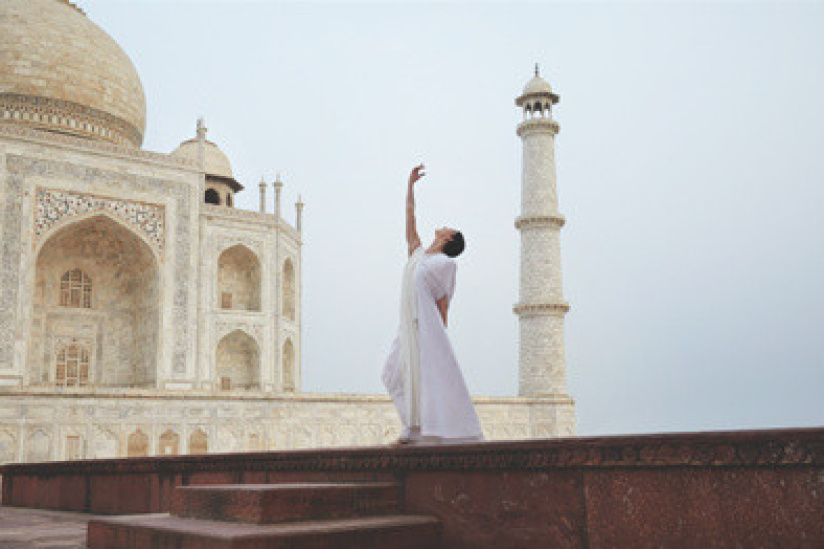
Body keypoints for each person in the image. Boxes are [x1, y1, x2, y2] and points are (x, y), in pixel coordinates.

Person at [381, 164, 484, 445]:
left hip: (425, 330)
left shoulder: (445, 265)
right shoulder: (418, 253)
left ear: (449, 238)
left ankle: (414, 432)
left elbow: (443, 304)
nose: (444, 224)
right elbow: (410, 217)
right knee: (391, 373)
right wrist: (410, 185)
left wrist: (441, 344)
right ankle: (412, 426)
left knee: (423, 378)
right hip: (407, 325)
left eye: (448, 227)